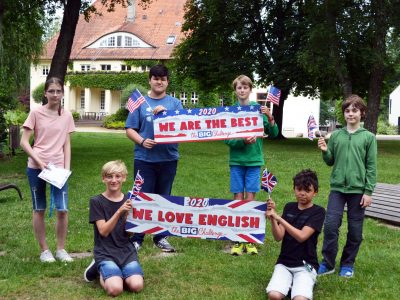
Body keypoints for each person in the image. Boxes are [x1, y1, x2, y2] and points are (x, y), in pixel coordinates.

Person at [317, 94, 377, 278]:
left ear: (362, 113)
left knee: (355, 230)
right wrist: (325, 151)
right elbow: (330, 161)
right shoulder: (336, 136)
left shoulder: (368, 138)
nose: (350, 114)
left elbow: (371, 167)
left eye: (354, 110)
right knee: (330, 226)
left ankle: (347, 264)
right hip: (337, 189)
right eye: (347, 111)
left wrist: (368, 191)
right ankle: (327, 263)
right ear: (344, 114)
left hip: (358, 191)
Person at [125, 64, 183, 252]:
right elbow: (129, 129)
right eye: (156, 78)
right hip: (144, 159)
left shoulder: (175, 104)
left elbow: (183, 129)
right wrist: (142, 141)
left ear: (167, 82)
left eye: (163, 79)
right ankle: (138, 237)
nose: (159, 82)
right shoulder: (141, 103)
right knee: (141, 198)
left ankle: (161, 237)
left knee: (163, 198)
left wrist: (167, 116)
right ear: (150, 80)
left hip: (168, 158)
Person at [20, 77, 75, 263]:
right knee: (39, 209)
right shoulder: (35, 113)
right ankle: (45, 250)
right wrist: (39, 161)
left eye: (58, 91)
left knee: (63, 209)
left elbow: (66, 144)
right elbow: (24, 142)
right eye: (51, 91)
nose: (55, 94)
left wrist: (67, 169)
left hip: (58, 170)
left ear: (62, 93)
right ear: (45, 93)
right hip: (37, 168)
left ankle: (61, 249)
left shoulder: (66, 115)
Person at [225, 75, 278, 255]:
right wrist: (242, 141)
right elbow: (228, 140)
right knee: (238, 199)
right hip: (237, 161)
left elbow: (273, 132)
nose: (242, 90)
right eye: (239, 88)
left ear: (250, 89)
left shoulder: (258, 109)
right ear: (235, 90)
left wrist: (270, 117)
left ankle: (249, 237)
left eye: (245, 87)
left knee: (251, 199)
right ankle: (238, 238)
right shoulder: (231, 111)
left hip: (254, 161)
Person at [266, 169, 325, 300]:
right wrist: (273, 219)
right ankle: (291, 284)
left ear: (315, 192)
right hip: (284, 262)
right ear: (294, 189)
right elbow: (278, 237)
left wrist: (279, 218)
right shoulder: (289, 207)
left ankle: (300, 284)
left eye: (307, 190)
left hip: (306, 265)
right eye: (299, 189)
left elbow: (301, 236)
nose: (302, 193)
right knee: (274, 296)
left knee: (299, 299)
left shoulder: (318, 212)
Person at [87, 160, 144, 297]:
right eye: (109, 176)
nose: (114, 180)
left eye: (118, 176)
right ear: (103, 179)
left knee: (136, 286)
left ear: (124, 178)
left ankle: (116, 273)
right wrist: (119, 212)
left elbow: (129, 234)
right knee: (115, 289)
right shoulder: (96, 201)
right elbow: (103, 231)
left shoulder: (130, 201)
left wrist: (130, 221)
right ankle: (99, 268)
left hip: (125, 250)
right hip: (105, 251)